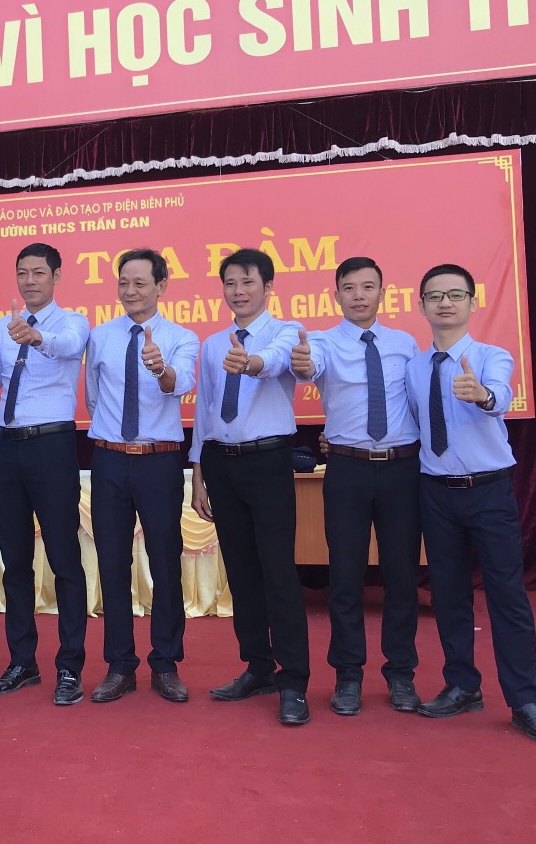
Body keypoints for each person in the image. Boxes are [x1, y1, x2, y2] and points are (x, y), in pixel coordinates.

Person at [406, 263, 536, 744]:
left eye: (456, 294)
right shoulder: (414, 367)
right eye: (435, 296)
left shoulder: (492, 356)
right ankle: (462, 685)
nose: (445, 303)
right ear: (421, 305)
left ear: (473, 303)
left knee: (506, 595)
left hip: (488, 491)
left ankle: (525, 700)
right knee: (448, 594)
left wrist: (481, 395)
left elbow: (500, 396)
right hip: (435, 492)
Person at [290, 256, 422, 716]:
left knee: (401, 577)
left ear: (382, 293)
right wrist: (302, 364)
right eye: (349, 288)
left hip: (402, 470)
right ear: (336, 295)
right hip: (347, 470)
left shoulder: (405, 343)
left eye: (368, 287)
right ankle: (348, 675)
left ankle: (401, 673)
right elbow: (308, 368)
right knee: (345, 577)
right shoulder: (322, 342)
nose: (359, 295)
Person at [190, 248, 310, 725]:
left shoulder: (286, 332)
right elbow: (204, 410)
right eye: (230, 283)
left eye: (248, 282)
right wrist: (198, 470)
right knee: (241, 573)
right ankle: (258, 667)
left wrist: (251, 362)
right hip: (221, 464)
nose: (238, 291)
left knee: (278, 571)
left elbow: (276, 362)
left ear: (268, 286)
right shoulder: (212, 344)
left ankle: (294, 680)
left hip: (267, 462)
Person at [0, 243, 90, 706]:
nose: (29, 281)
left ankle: (70, 666)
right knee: (15, 561)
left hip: (51, 446)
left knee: (64, 559)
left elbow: (68, 347)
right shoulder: (0, 328)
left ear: (56, 276)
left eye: (38, 273)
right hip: (4, 448)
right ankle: (22, 661)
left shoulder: (73, 322)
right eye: (22, 273)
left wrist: (37, 338)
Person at [84, 248, 199, 704]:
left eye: (140, 283)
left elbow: (181, 383)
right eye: (123, 282)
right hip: (110, 459)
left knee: (164, 562)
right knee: (112, 563)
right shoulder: (100, 336)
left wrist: (160, 369)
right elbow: (94, 398)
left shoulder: (181, 337)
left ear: (161, 286)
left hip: (159, 460)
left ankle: (166, 663)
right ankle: (119, 665)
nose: (130, 291)